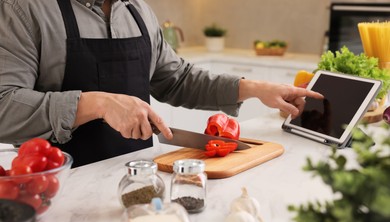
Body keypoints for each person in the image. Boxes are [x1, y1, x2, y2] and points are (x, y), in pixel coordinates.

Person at [0, 0, 323, 167]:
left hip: (137, 177)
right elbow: (4, 107)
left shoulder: (138, 10)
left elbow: (177, 79)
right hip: (59, 191)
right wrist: (96, 103)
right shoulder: (25, 9)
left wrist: (253, 89)